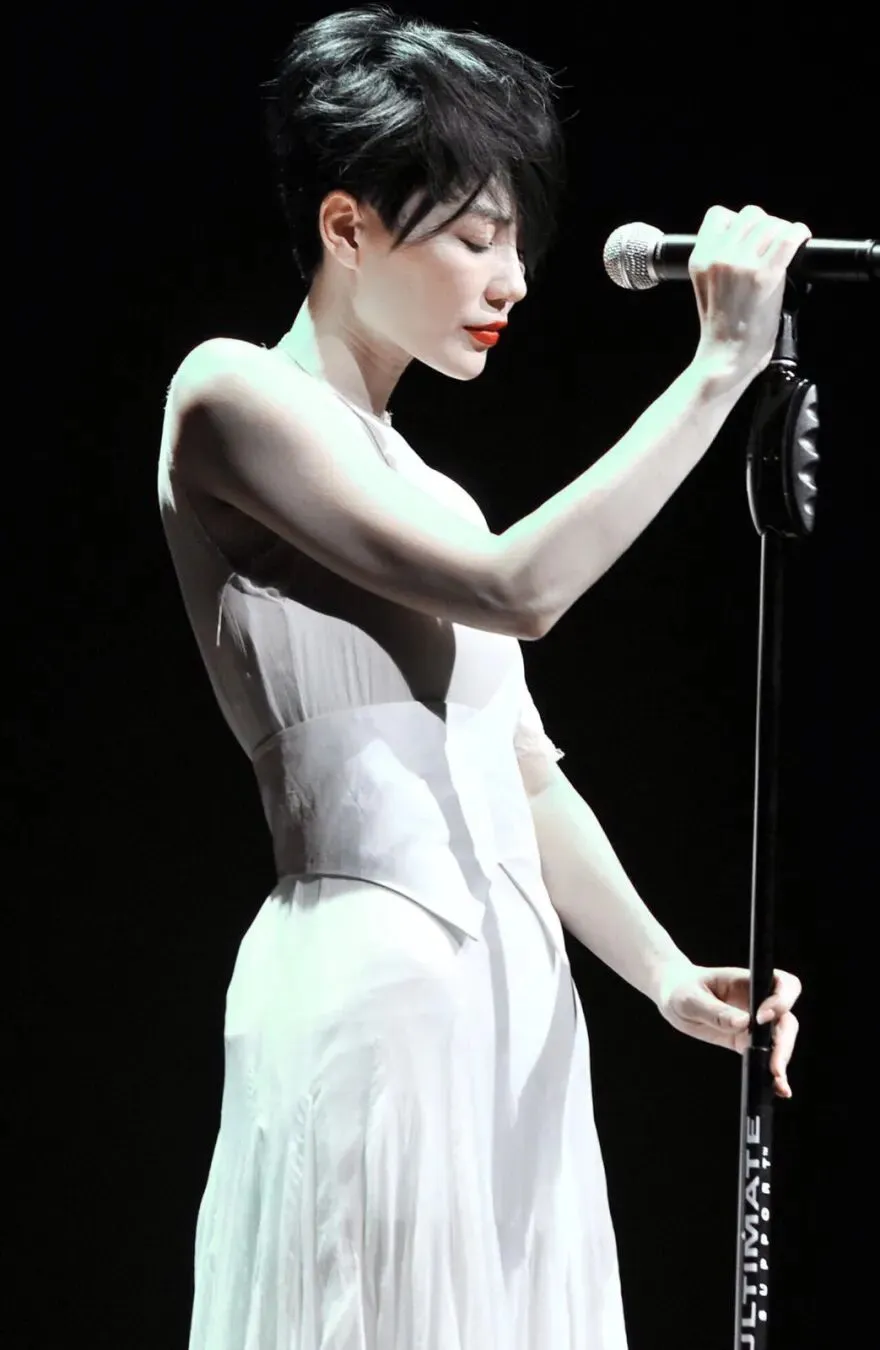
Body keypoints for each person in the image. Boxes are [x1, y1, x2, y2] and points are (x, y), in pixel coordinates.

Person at [158, 7, 806, 1347]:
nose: (510, 280)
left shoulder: (437, 490)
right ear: (347, 228)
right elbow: (524, 589)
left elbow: (521, 772)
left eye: (517, 242)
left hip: (514, 1015)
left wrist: (665, 972)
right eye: (472, 237)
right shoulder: (229, 396)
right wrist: (718, 369)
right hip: (372, 996)